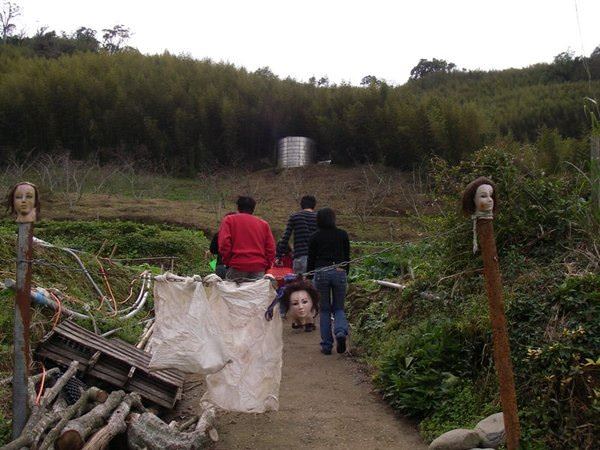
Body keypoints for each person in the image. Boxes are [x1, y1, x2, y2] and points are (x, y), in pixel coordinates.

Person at [307, 208, 350, 355]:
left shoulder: (315, 236)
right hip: (339, 272)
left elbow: (311, 259)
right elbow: (347, 257)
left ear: (318, 220)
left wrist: (308, 278)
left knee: (324, 310)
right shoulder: (342, 234)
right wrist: (346, 273)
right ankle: (340, 332)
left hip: (320, 273)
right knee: (339, 308)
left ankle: (326, 346)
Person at [218, 196, 276, 281]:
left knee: (234, 293)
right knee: (256, 293)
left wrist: (228, 261)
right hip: (258, 267)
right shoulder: (264, 224)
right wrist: (266, 265)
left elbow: (224, 243)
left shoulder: (229, 220)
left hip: (237, 265)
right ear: (253, 208)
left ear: (238, 208)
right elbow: (271, 248)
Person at [276, 195, 317, 275]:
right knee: (313, 285)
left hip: (300, 256)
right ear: (314, 205)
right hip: (316, 258)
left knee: (299, 285)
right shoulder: (318, 217)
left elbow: (285, 237)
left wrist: (279, 256)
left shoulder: (295, 216)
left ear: (301, 204)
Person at [208, 212, 236, 279]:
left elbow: (213, 250)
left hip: (221, 265)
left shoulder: (219, 234)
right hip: (238, 266)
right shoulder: (242, 235)